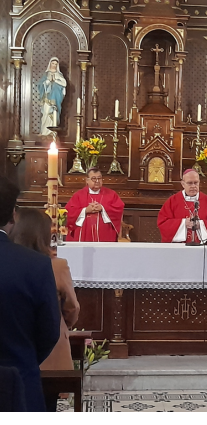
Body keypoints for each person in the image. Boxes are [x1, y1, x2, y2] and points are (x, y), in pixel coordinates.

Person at [9, 208, 80, 412]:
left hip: (14, 351)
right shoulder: (56, 265)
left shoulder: (10, 262)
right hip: (50, 352)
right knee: (47, 405)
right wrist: (61, 323)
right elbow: (72, 307)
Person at [0, 176, 60, 412]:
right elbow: (49, 331)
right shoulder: (35, 265)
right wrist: (24, 357)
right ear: (13, 215)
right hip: (20, 383)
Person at [157, 169, 207, 243]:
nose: (193, 186)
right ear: (183, 184)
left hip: (202, 247)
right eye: (189, 183)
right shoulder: (173, 201)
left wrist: (200, 224)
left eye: (196, 183)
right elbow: (163, 222)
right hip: (178, 248)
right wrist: (184, 223)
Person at [65, 167, 125, 242]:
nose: (97, 181)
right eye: (94, 178)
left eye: (99, 178)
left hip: (105, 233)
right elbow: (69, 211)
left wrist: (103, 208)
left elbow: (119, 208)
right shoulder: (78, 195)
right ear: (87, 180)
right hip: (84, 233)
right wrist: (85, 210)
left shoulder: (111, 194)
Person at [37, 57, 67, 135]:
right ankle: (44, 132)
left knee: (54, 114)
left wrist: (55, 80)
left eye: (56, 64)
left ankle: (52, 133)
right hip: (46, 99)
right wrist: (47, 81)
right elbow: (40, 85)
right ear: (50, 64)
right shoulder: (46, 74)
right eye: (53, 63)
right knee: (46, 113)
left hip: (56, 100)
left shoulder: (59, 75)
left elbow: (64, 84)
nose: (54, 65)